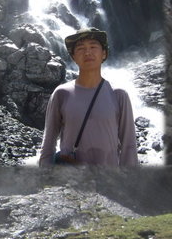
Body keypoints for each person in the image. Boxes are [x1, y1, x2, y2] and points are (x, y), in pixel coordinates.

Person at [39, 27, 138, 167]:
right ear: (73, 56)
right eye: (80, 48)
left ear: (104, 53)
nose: (87, 52)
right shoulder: (61, 93)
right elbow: (48, 143)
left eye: (93, 46)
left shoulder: (119, 95)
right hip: (70, 183)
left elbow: (129, 146)